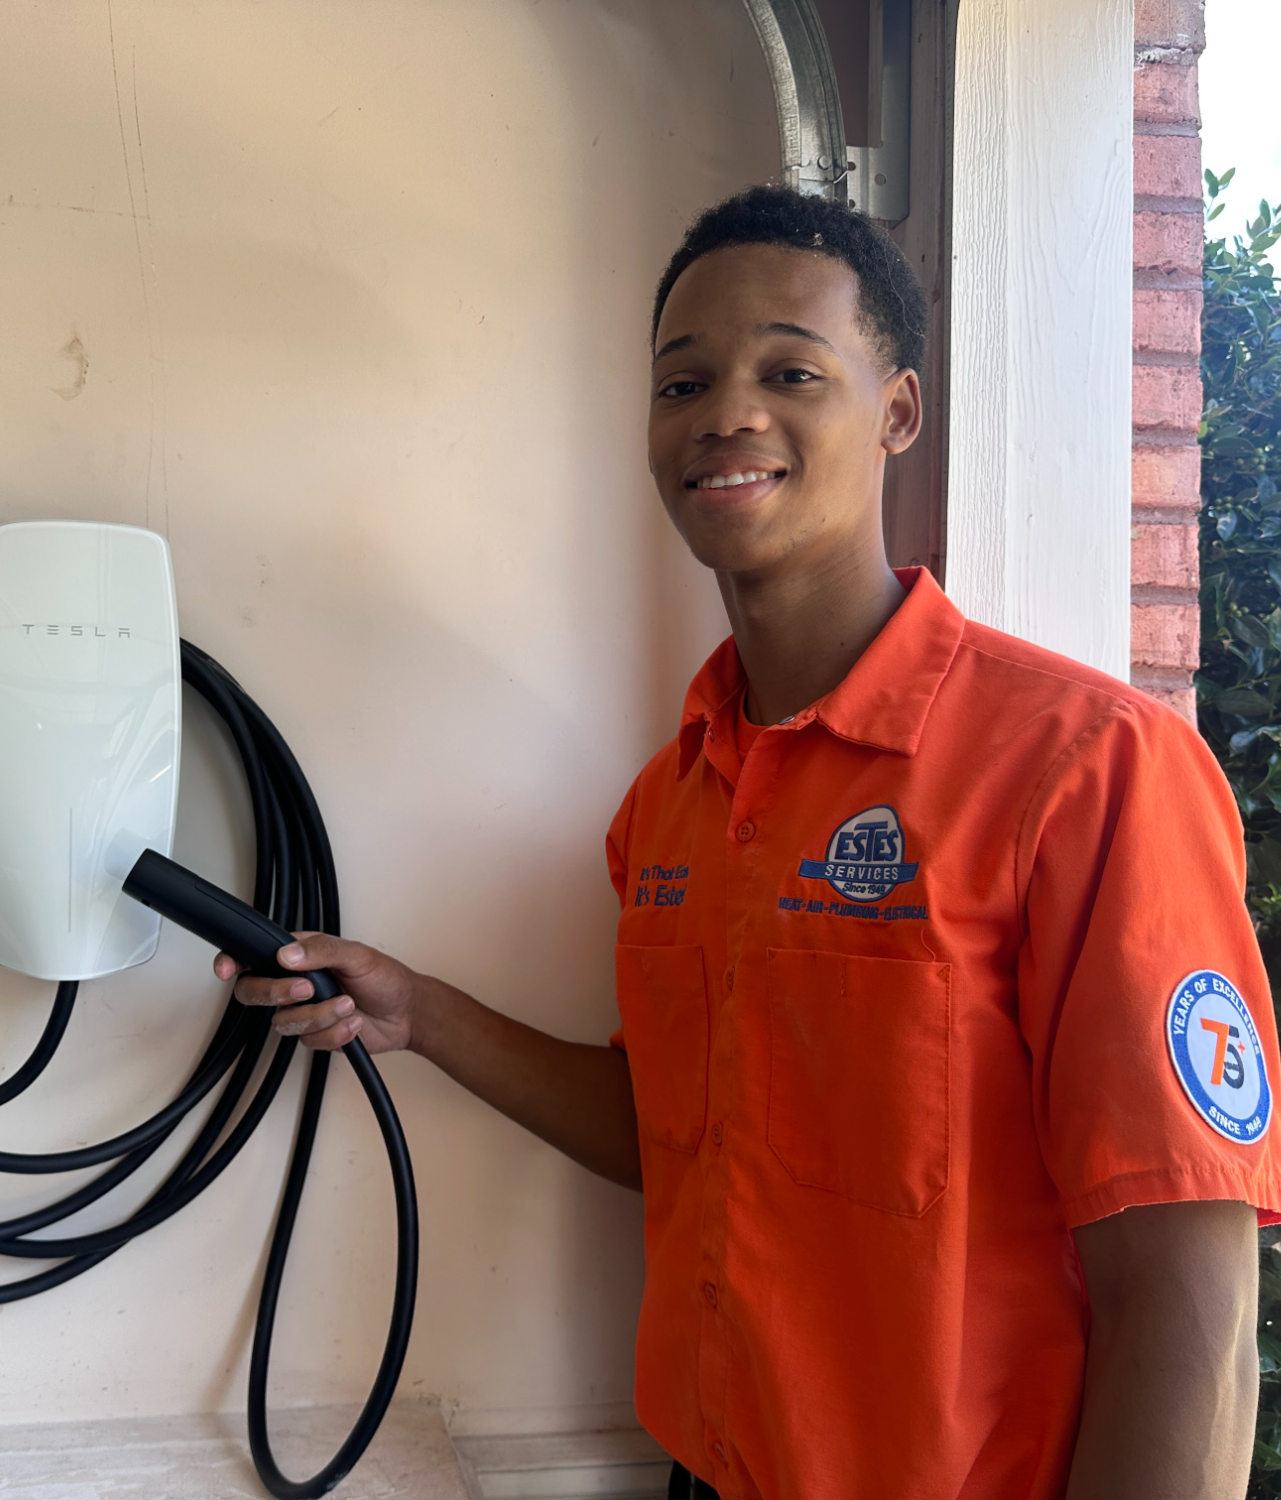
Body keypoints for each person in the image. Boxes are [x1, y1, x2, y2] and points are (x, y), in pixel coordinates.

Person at [216, 186, 1281, 1500]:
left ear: (896, 410)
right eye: (684, 381)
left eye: (791, 370)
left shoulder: (1088, 770)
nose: (728, 411)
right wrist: (416, 1012)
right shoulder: (669, 802)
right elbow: (684, 1124)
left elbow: (1192, 1308)